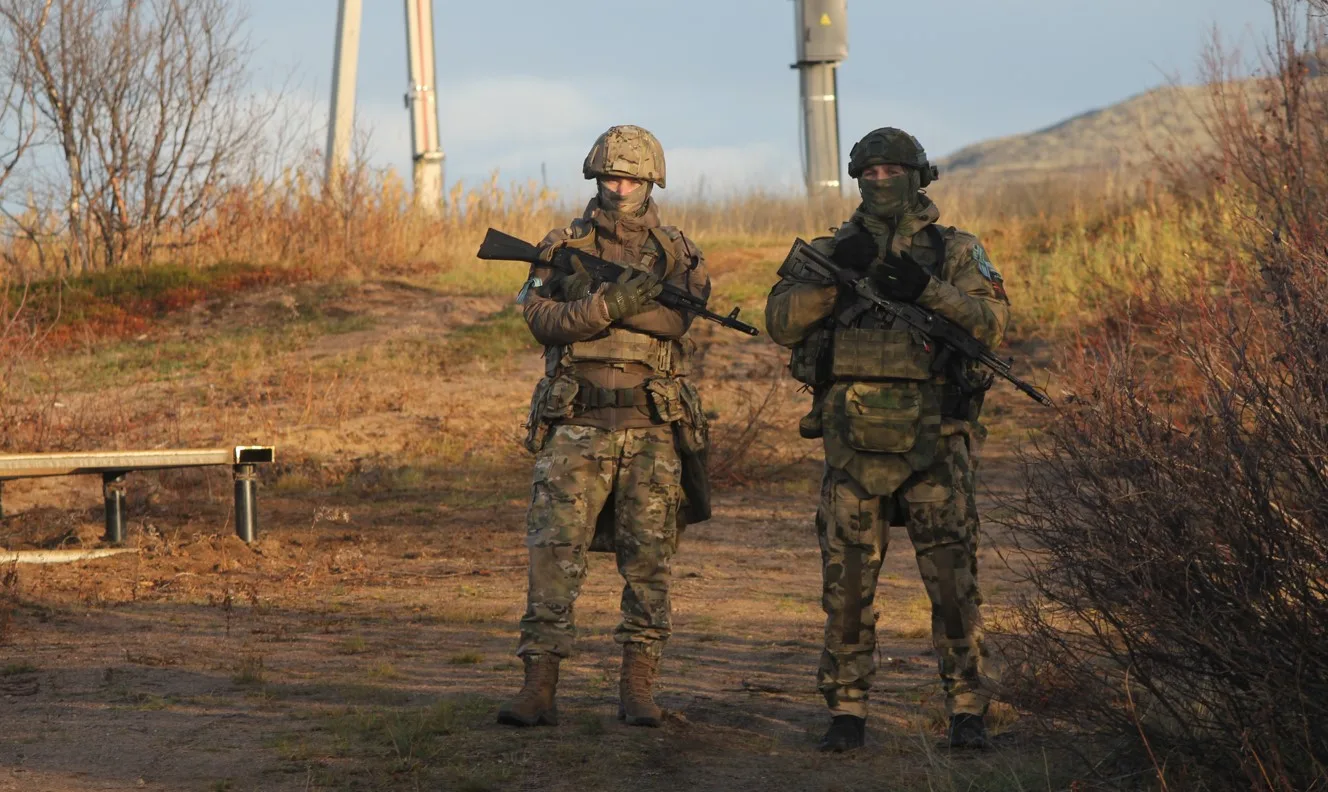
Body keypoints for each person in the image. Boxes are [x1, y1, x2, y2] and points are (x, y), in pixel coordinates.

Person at [764, 127, 1011, 752]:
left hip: (938, 440)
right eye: (868, 173)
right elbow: (780, 323)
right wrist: (836, 280)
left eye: (892, 171)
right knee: (847, 587)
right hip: (852, 443)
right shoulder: (829, 250)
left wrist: (926, 290)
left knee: (953, 585)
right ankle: (846, 710)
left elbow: (992, 323)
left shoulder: (956, 250)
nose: (879, 182)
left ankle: (967, 708)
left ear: (917, 176)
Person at [497, 125, 711, 729]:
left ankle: (638, 689)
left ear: (651, 182)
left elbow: (678, 320)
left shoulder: (676, 251)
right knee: (553, 555)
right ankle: (538, 688)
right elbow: (541, 319)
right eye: (612, 177)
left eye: (632, 179)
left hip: (650, 427)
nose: (621, 189)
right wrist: (608, 306)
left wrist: (621, 306)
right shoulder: (561, 245)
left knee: (650, 562)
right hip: (576, 425)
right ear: (597, 177)